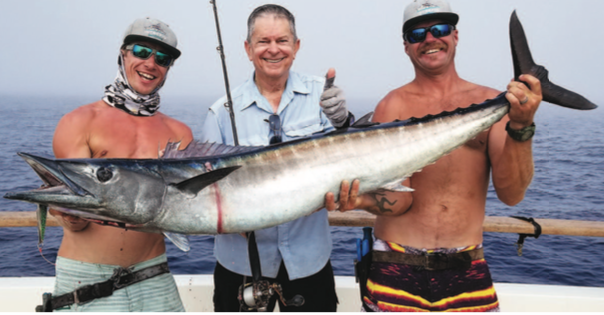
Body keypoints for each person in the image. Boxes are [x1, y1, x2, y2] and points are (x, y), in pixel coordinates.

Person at [327, 0, 543, 312]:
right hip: (395, 263)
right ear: (406, 46)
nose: (429, 39)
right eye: (417, 34)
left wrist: (522, 125)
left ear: (455, 35)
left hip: (466, 266)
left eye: (439, 29)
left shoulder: (489, 102)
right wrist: (358, 201)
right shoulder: (392, 106)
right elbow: (399, 199)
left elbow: (512, 195)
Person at [200, 4, 352, 312]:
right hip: (238, 266)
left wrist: (343, 121)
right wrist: (234, 218)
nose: (273, 49)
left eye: (282, 41)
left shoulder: (323, 97)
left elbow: (350, 154)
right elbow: (205, 191)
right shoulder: (220, 113)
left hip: (310, 263)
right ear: (248, 48)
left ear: (296, 47)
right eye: (263, 41)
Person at [46, 17, 192, 312]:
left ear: (167, 70)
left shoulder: (180, 134)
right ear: (123, 53)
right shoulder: (79, 122)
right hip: (86, 280)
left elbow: (184, 208)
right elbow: (76, 217)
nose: (151, 63)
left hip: (154, 275)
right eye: (141, 51)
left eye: (162, 58)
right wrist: (70, 215)